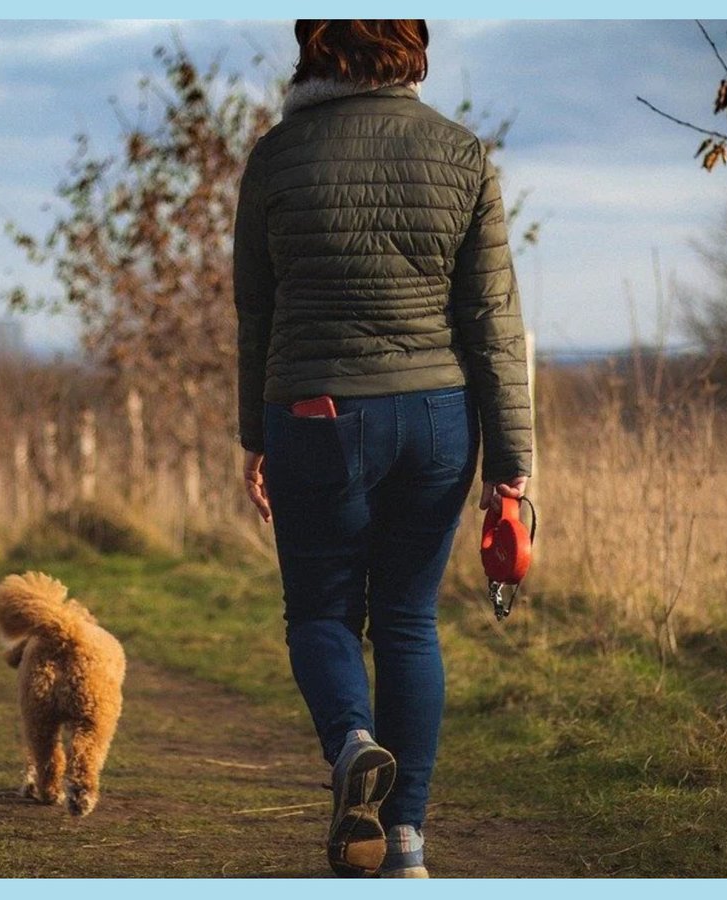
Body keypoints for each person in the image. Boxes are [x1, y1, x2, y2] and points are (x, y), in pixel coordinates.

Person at [232, 19, 533, 878]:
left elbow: (257, 308)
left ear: (315, 50)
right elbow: (492, 320)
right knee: (408, 621)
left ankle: (352, 744)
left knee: (323, 613)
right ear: (410, 50)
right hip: (437, 419)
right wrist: (511, 460)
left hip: (316, 414)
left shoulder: (277, 157)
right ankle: (405, 844)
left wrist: (255, 435)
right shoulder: (461, 153)